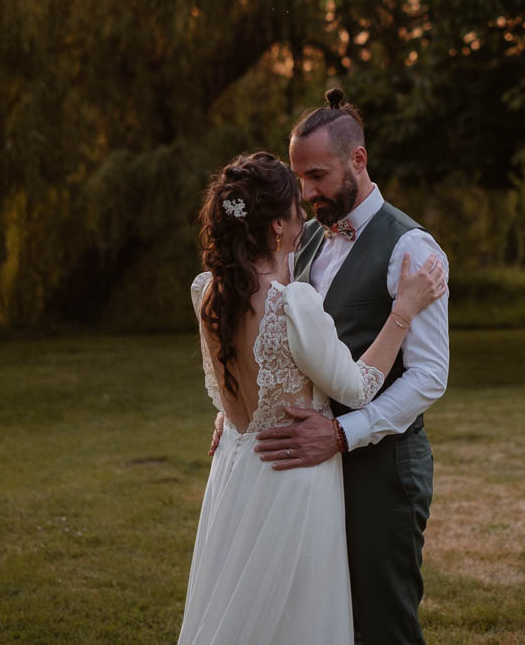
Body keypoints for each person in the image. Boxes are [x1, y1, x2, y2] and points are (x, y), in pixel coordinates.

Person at [180, 150, 446, 644]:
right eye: (295, 205)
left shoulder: (210, 292)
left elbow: (238, 382)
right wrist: (403, 311)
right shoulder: (292, 300)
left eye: (314, 177)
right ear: (277, 226)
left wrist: (235, 415)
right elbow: (359, 386)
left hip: (238, 472)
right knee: (298, 618)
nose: (305, 206)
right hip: (294, 480)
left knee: (244, 610)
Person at [252, 88, 450, 645]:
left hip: (382, 471)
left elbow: (429, 376)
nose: (306, 193)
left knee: (382, 623)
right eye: (300, 178)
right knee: (322, 619)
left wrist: (342, 434)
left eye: (317, 176)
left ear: (358, 160)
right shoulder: (308, 238)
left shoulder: (412, 248)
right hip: (312, 473)